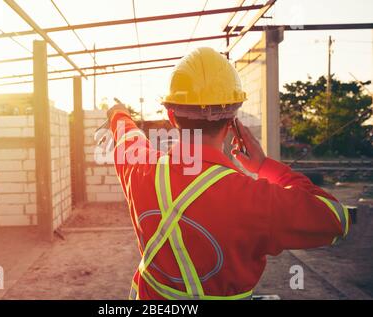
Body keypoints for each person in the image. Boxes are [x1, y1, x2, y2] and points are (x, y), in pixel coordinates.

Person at [106, 47, 349, 300]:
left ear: (170, 115)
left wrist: (118, 112)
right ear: (233, 120)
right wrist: (264, 165)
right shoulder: (256, 201)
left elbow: (128, 135)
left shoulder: (141, 171)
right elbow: (335, 218)